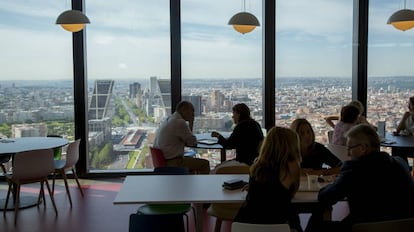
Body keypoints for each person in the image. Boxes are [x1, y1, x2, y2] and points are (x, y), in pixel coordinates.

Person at [306, 124, 414, 232]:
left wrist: (337, 182)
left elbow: (325, 196)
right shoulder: (400, 163)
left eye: (350, 148)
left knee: (317, 221)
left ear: (363, 148)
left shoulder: (353, 169)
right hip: (405, 227)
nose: (348, 154)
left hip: (365, 228)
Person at [233, 127, 303, 232]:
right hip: (278, 224)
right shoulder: (291, 166)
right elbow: (292, 192)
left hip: (245, 224)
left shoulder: (257, 165)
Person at [153, 100, 210, 174]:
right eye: (191, 111)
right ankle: (203, 185)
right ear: (183, 110)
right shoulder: (179, 122)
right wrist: (191, 122)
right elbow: (192, 143)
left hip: (163, 161)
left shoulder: (169, 119)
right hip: (173, 162)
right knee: (204, 164)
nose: (193, 114)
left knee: (191, 162)